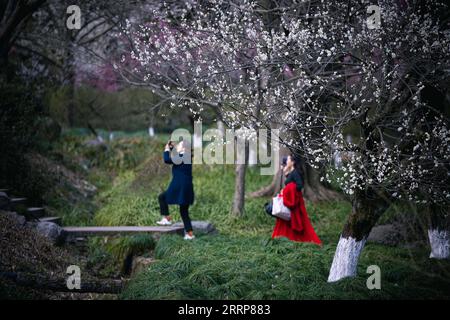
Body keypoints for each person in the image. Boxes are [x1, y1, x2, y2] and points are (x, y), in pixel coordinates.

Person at [271, 154, 322, 245]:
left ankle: (302, 237)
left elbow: (299, 185)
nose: (287, 161)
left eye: (289, 159)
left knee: (298, 219)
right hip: (290, 198)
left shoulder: (296, 173)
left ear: (293, 162)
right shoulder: (292, 172)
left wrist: (287, 189)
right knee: (287, 218)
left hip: (295, 201)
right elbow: (290, 183)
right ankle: (287, 237)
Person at [156, 139, 195, 240]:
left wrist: (166, 150)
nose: (178, 145)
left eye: (180, 145)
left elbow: (167, 160)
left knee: (162, 197)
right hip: (186, 186)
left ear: (184, 148)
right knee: (183, 210)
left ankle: (166, 218)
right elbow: (175, 156)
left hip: (180, 185)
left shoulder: (183, 156)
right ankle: (190, 234)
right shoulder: (186, 156)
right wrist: (172, 147)